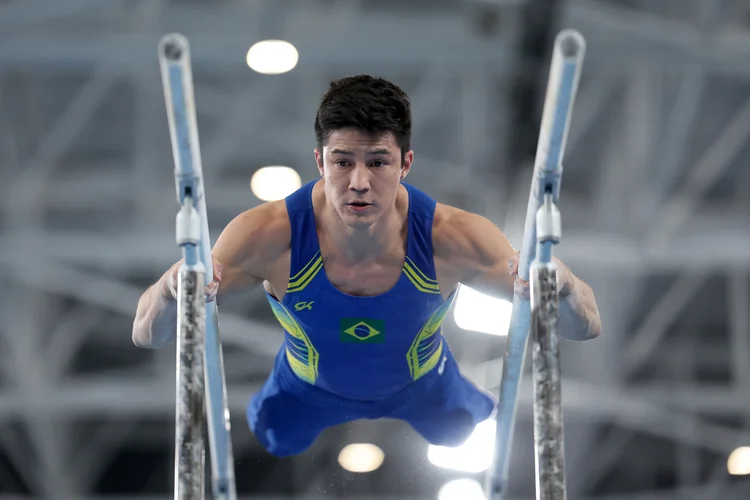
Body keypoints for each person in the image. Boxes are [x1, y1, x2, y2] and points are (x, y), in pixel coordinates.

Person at [132, 75, 602, 458]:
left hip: (424, 385)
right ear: (319, 161)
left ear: (406, 164)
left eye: (378, 162)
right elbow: (148, 334)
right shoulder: (268, 235)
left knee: (459, 431)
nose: (359, 182)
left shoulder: (451, 238)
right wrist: (172, 289)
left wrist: (561, 285)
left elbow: (585, 328)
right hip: (305, 389)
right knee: (275, 436)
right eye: (342, 162)